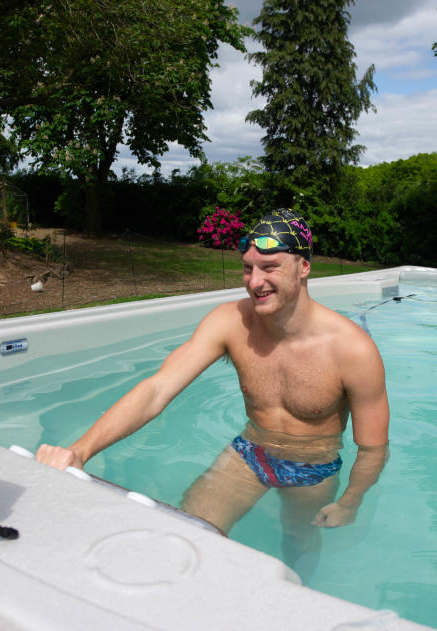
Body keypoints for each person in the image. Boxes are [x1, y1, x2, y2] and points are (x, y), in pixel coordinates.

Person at [36, 209, 389, 578]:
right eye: (247, 268)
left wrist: (351, 501)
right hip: (250, 453)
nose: (255, 282)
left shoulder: (352, 350)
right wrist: (80, 450)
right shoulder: (230, 321)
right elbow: (156, 389)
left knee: (298, 542)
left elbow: (373, 447)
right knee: (188, 531)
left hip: (312, 468)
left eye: (269, 267)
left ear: (303, 267)